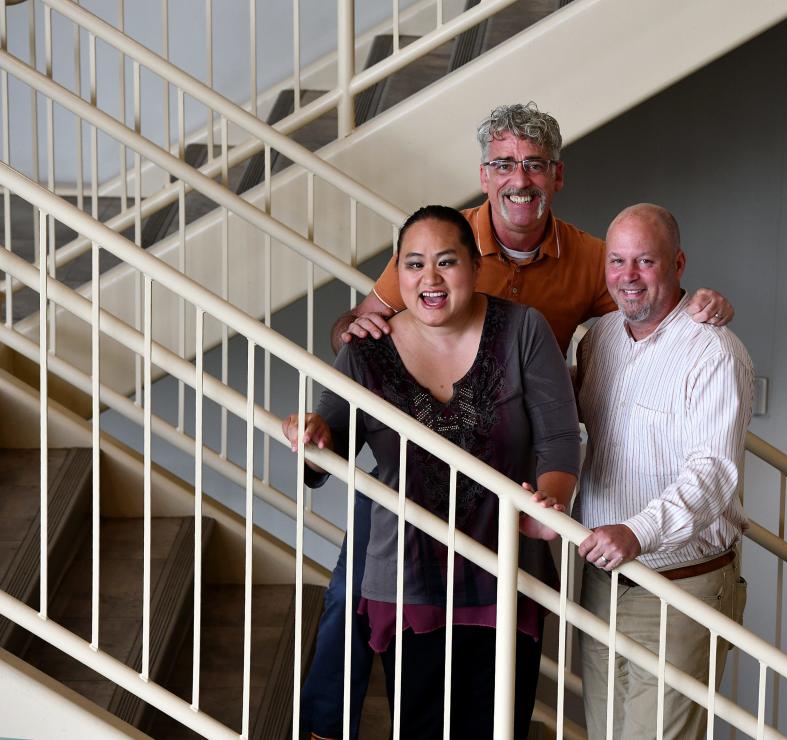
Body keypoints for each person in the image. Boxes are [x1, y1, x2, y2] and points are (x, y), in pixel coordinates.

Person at [305, 102, 735, 739]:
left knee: (500, 689)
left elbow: (640, 297)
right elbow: (362, 326)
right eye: (505, 164)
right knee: (354, 596)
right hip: (418, 489)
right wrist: (349, 336)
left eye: (535, 166)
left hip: (515, 482)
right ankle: (320, 726)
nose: (520, 179)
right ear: (484, 174)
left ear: (556, 177)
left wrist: (697, 302)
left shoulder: (592, 260)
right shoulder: (439, 239)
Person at [285, 205, 581, 739]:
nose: (431, 279)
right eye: (414, 264)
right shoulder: (367, 352)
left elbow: (559, 441)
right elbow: (329, 447)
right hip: (408, 575)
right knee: (420, 727)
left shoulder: (522, 330)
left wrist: (552, 503)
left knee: (499, 728)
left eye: (447, 261)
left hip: (507, 566)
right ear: (397, 275)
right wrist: (312, 437)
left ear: (475, 265)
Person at [574, 203, 753, 740]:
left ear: (677, 263)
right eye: (617, 261)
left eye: (645, 261)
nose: (628, 277)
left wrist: (638, 531)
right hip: (603, 580)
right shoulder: (597, 340)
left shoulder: (713, 350)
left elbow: (714, 473)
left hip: (678, 588)